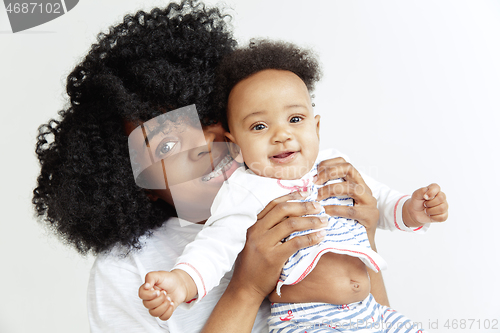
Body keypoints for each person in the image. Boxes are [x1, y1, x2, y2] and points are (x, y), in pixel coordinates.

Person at [31, 1, 446, 332]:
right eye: (168, 142)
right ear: (128, 178)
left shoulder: (305, 183)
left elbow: (367, 318)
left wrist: (364, 237)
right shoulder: (129, 275)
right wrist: (247, 287)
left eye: (206, 117)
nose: (203, 145)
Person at [138, 40, 448, 332]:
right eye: (259, 126)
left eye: (295, 119)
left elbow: (380, 203)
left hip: (371, 311)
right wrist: (181, 281)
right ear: (234, 145)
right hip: (310, 321)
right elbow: (214, 248)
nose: (281, 134)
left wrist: (413, 209)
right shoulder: (247, 191)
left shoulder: (336, 165)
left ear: (316, 126)